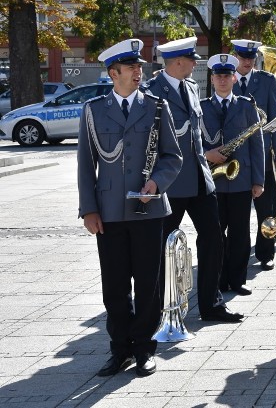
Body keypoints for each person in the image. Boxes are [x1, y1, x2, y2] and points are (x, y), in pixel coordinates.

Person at [78, 38, 182, 377]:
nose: (140, 71)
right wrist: (88, 210)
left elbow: (172, 156)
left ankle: (144, 349)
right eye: (132, 67)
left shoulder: (155, 106)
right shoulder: (93, 110)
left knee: (149, 283)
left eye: (140, 66)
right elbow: (85, 164)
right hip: (108, 211)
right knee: (115, 284)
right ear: (113, 73)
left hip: (149, 209)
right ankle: (119, 349)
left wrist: (157, 183)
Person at [144, 37, 242, 323]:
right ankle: (162, 307)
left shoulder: (191, 86)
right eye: (191, 59)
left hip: (200, 179)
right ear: (177, 62)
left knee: (213, 239)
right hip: (170, 183)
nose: (195, 63)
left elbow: (194, 137)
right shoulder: (151, 91)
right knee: (162, 247)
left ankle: (211, 304)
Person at [200, 54, 265, 296]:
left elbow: (257, 146)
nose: (223, 79)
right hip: (212, 181)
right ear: (212, 78)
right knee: (215, 234)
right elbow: (194, 143)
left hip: (240, 179)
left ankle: (237, 279)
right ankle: (217, 279)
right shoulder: (202, 107)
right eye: (218, 75)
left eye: (227, 75)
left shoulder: (247, 106)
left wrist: (258, 180)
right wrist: (208, 154)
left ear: (234, 78)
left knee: (239, 233)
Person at [231, 39, 276, 270]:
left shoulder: (266, 80)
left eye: (251, 58)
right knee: (236, 211)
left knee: (268, 207)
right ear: (235, 57)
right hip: (233, 157)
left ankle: (266, 253)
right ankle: (236, 255)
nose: (247, 62)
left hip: (262, 153)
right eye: (243, 57)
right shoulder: (225, 77)